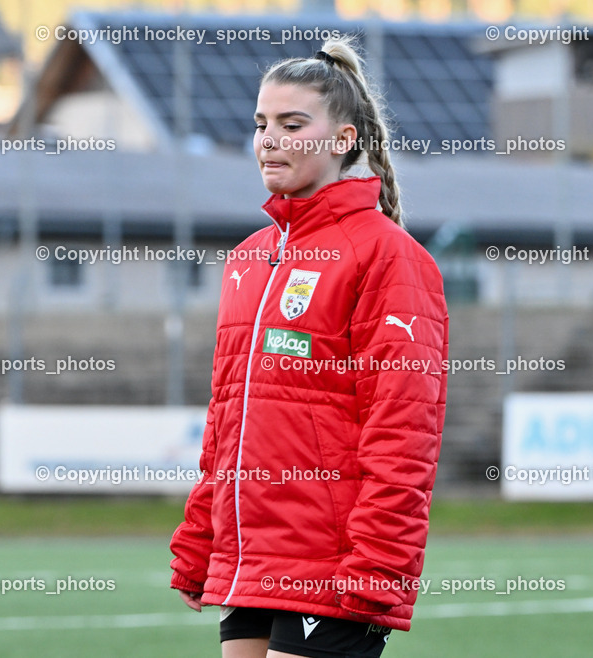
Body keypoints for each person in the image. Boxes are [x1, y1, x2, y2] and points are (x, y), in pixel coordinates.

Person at [170, 36, 449, 658]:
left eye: (293, 124)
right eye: (261, 124)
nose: (270, 139)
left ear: (343, 139)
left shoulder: (390, 257)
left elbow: (404, 428)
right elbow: (227, 421)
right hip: (254, 556)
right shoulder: (250, 259)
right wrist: (200, 535)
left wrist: (380, 562)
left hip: (336, 562)